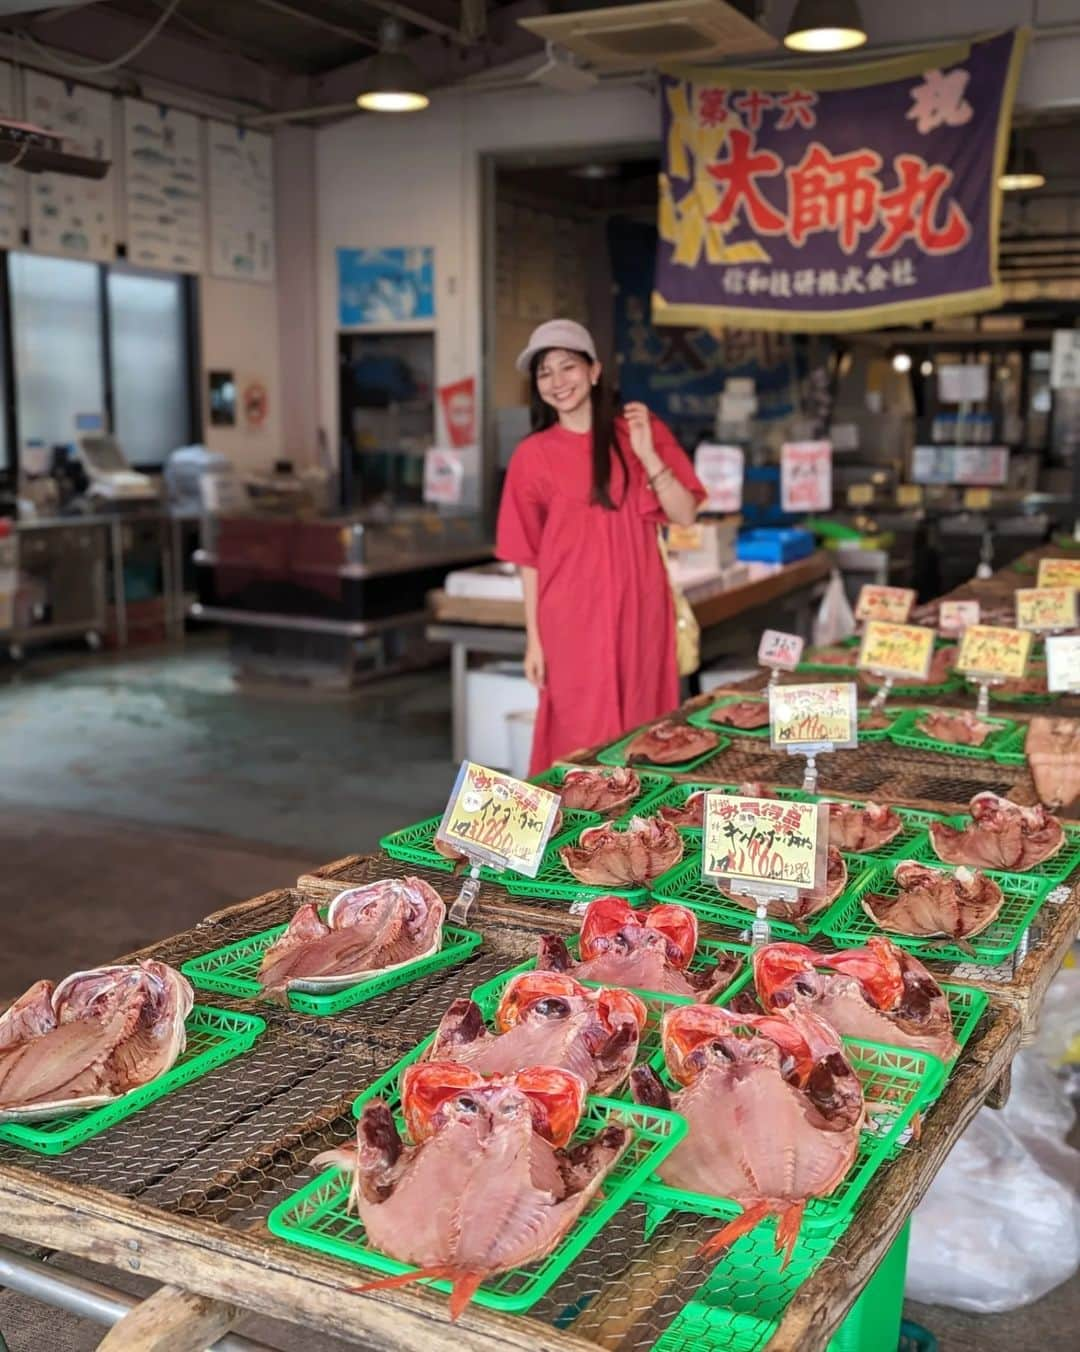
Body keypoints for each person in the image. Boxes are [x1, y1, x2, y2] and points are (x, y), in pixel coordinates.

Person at [496, 318, 705, 776]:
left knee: (645, 727)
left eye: (567, 367)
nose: (556, 382)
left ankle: (646, 835)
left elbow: (686, 513)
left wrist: (649, 454)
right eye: (544, 373)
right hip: (568, 619)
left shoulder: (638, 432)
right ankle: (579, 838)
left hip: (641, 611)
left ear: (594, 371)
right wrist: (534, 640)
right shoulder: (532, 455)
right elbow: (528, 559)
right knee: (577, 734)